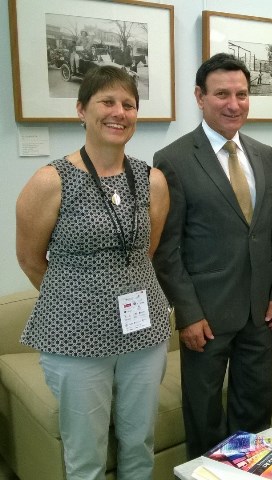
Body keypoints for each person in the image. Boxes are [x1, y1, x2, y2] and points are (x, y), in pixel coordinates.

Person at [15, 65, 171, 479]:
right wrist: (78, 299)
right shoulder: (50, 181)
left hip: (143, 332)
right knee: (86, 455)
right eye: (107, 102)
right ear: (81, 110)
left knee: (139, 444)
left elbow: (145, 252)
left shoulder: (152, 180)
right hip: (74, 338)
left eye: (128, 104)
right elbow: (30, 259)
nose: (118, 112)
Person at [152, 53, 272, 459]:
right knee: (205, 415)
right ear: (200, 96)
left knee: (255, 410)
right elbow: (167, 250)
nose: (234, 104)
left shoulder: (264, 154)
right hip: (206, 318)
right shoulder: (173, 160)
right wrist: (188, 314)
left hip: (259, 312)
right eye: (222, 94)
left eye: (242, 94)